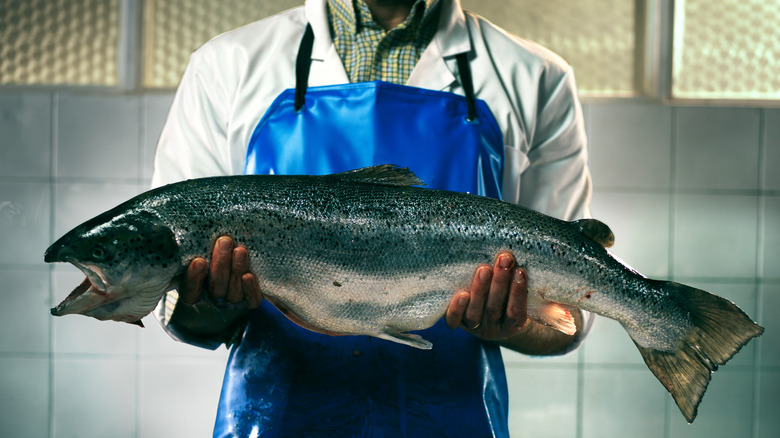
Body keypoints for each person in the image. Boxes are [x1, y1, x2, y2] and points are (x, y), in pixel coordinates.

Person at [152, 0, 594, 436]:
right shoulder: (225, 65)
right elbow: (174, 304)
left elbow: (573, 313)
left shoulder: (537, 76)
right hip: (271, 419)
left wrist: (515, 322)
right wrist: (207, 300)